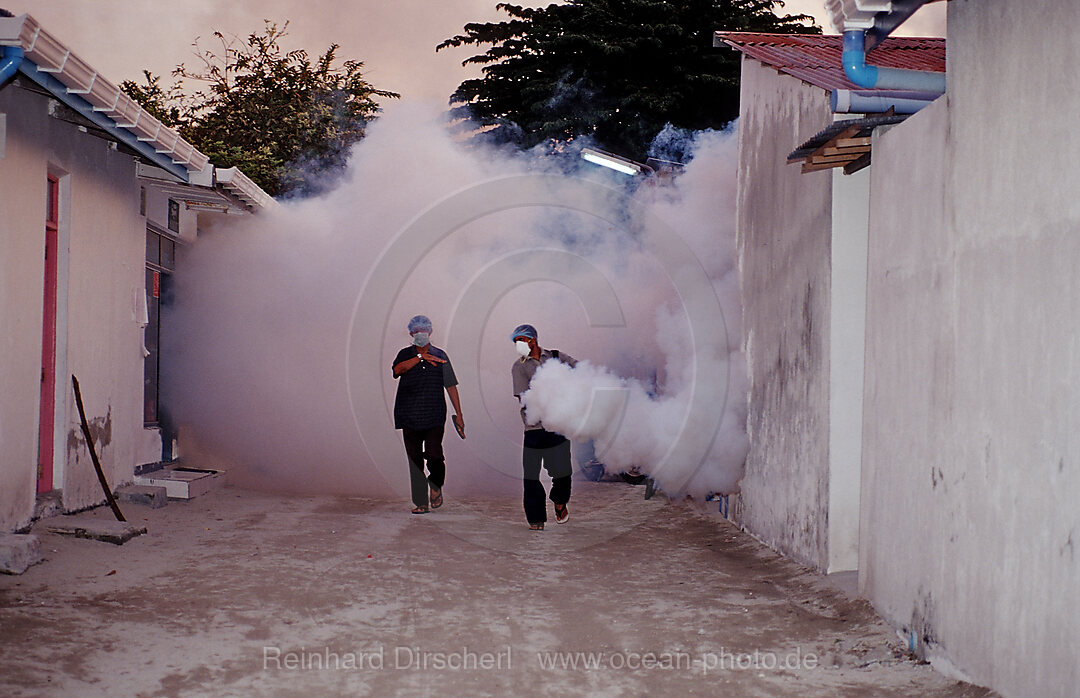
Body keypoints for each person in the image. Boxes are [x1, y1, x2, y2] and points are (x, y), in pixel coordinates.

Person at [392, 315, 464, 514]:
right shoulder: (404, 354)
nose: (420, 334)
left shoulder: (441, 356)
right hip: (408, 415)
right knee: (414, 460)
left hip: (434, 414)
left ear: (430, 333)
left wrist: (459, 414)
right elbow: (397, 370)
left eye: (423, 331)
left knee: (434, 455)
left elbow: (450, 385)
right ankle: (421, 503)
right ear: (411, 334)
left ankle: (435, 485)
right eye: (416, 332)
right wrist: (421, 358)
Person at [510, 324, 576, 530]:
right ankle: (536, 518)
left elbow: (581, 371)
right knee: (531, 475)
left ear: (533, 340)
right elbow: (524, 398)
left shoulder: (556, 357)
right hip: (534, 428)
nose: (518, 345)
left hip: (558, 425)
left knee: (562, 472)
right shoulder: (519, 366)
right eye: (515, 342)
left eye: (521, 340)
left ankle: (559, 501)